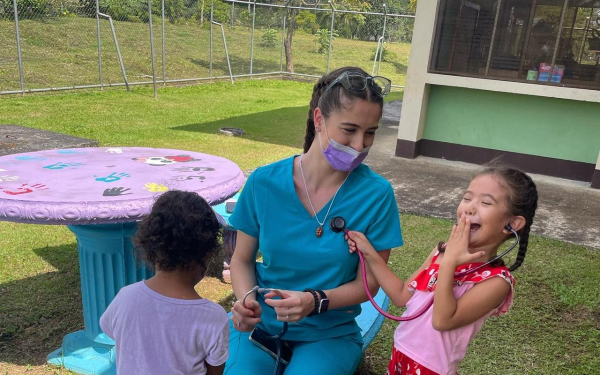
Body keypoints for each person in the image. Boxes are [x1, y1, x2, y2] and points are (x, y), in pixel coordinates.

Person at [226, 66, 404, 375]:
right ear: (319, 120)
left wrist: (315, 301)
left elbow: (370, 284)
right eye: (349, 130)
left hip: (329, 334)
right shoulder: (263, 183)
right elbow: (241, 261)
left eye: (371, 132)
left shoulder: (377, 196)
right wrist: (246, 301)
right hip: (262, 330)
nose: (360, 145)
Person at [345, 164, 538, 375]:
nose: (470, 208)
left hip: (432, 369)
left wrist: (449, 264)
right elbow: (402, 296)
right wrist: (369, 252)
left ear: (512, 223)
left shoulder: (496, 282)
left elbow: (442, 320)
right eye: (467, 198)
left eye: (485, 202)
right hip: (400, 354)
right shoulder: (441, 253)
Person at [100, 190, 229, 375]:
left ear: (151, 245)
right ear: (208, 253)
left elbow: (112, 331)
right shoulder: (214, 318)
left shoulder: (125, 297)